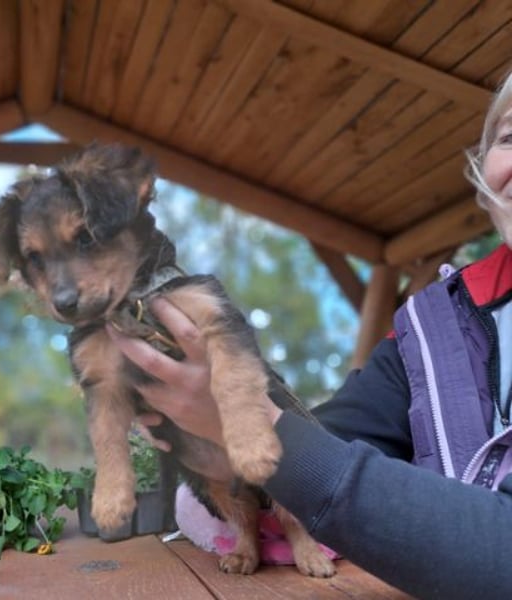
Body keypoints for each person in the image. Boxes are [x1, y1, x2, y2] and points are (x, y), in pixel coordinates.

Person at [107, 70, 512, 599]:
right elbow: (332, 438)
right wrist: (206, 434)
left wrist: (251, 424)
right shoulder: (434, 318)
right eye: (509, 137)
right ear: (484, 166)